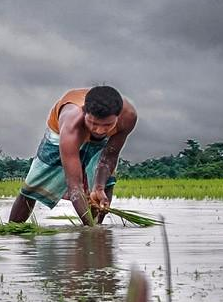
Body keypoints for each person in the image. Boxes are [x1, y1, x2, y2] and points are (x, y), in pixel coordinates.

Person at [9, 86, 137, 225]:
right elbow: (75, 186)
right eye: (93, 123)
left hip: (101, 142)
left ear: (118, 117)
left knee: (105, 185)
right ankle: (12, 229)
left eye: (107, 124)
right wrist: (91, 230)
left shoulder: (128, 116)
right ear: (84, 113)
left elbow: (110, 156)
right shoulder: (71, 123)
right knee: (32, 187)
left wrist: (99, 187)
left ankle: (98, 226)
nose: (100, 130)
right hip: (60, 136)